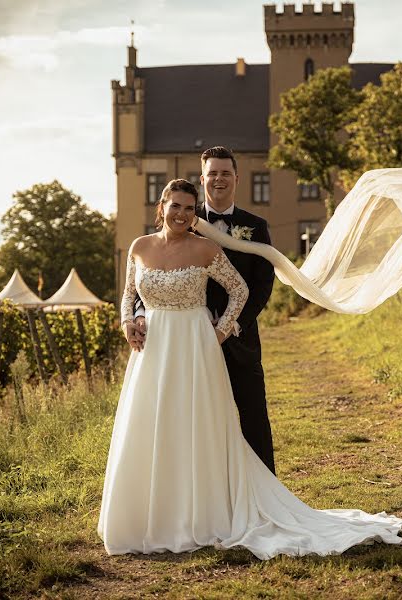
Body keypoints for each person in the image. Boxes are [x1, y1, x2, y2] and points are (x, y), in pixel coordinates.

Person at [97, 178, 402, 559]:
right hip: (152, 351)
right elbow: (129, 295)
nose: (181, 214)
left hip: (196, 345)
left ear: (194, 212)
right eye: (174, 205)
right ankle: (154, 514)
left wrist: (219, 331)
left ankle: (201, 512)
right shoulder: (139, 247)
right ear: (161, 206)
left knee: (198, 424)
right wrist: (127, 322)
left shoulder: (205, 248)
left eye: (188, 207)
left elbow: (239, 290)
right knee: (154, 423)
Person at [127, 146, 277, 474]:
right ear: (203, 178)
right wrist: (138, 314)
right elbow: (150, 279)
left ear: (236, 178)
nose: (218, 179)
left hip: (236, 339)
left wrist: (230, 326)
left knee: (253, 417)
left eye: (225, 173)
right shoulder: (182, 220)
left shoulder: (256, 226)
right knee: (190, 421)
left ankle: (264, 492)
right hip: (182, 343)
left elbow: (262, 285)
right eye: (212, 173)